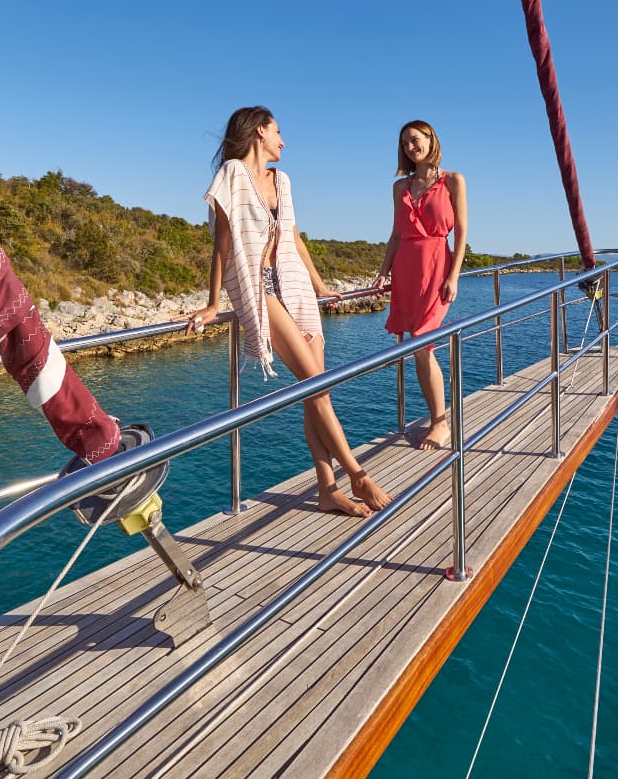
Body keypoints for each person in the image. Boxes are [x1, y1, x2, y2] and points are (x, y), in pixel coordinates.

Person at [186, 107, 393, 518]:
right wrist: (214, 303)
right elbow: (223, 244)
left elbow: (293, 237)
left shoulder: (283, 181)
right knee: (316, 385)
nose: (284, 140)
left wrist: (319, 286)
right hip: (260, 289)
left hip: (294, 285)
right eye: (279, 132)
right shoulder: (232, 175)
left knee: (318, 390)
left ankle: (326, 489)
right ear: (261, 131)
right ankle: (356, 474)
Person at [376, 119, 468, 451]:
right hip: (406, 269)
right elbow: (396, 234)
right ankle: (437, 418)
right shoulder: (400, 187)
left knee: (421, 341)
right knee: (418, 346)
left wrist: (454, 275)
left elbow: (462, 234)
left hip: (437, 266)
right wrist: (384, 271)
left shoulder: (453, 180)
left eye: (415, 140)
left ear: (431, 140)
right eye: (404, 143)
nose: (410, 147)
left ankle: (440, 423)